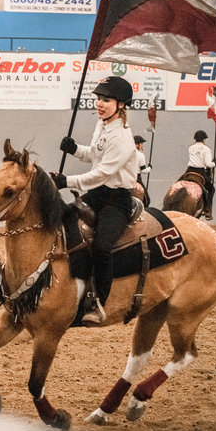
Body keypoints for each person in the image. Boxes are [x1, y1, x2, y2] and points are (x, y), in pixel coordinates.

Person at [50, 76, 139, 324]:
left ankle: (99, 301)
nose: (99, 104)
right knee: (65, 219)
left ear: (121, 104)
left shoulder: (122, 137)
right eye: (98, 99)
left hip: (117, 200)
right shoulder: (102, 124)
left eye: (106, 100)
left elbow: (102, 173)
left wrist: (66, 181)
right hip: (98, 193)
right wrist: (75, 149)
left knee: (101, 246)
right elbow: (95, 156)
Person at [185, 130, 216, 220]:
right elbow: (208, 164)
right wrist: (214, 163)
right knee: (211, 190)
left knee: (177, 183)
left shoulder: (190, 148)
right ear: (204, 139)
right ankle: (207, 210)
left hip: (189, 171)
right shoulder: (206, 149)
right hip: (200, 172)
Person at [134, 135, 151, 207]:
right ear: (137, 145)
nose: (142, 146)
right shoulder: (141, 155)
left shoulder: (126, 153)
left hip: (126, 177)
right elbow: (143, 170)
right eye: (141, 144)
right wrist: (150, 168)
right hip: (136, 178)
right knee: (147, 200)